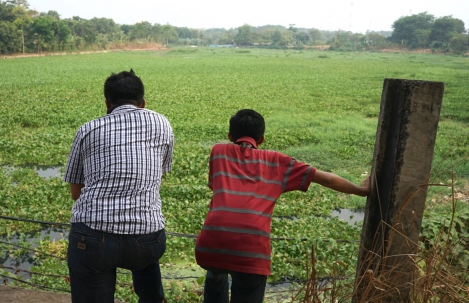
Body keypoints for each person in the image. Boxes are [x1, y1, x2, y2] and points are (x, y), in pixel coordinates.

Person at [194, 109, 370, 303]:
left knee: (215, 273)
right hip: (251, 251)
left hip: (210, 244)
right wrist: (361, 191)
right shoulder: (278, 162)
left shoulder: (218, 152)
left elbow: (215, 186)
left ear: (229, 136)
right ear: (261, 139)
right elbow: (327, 179)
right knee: (246, 285)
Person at [63, 70, 174, 303]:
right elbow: (157, 177)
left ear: (107, 103)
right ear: (143, 102)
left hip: (92, 238)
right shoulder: (162, 123)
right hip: (147, 239)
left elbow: (76, 193)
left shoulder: (88, 130)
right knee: (145, 260)